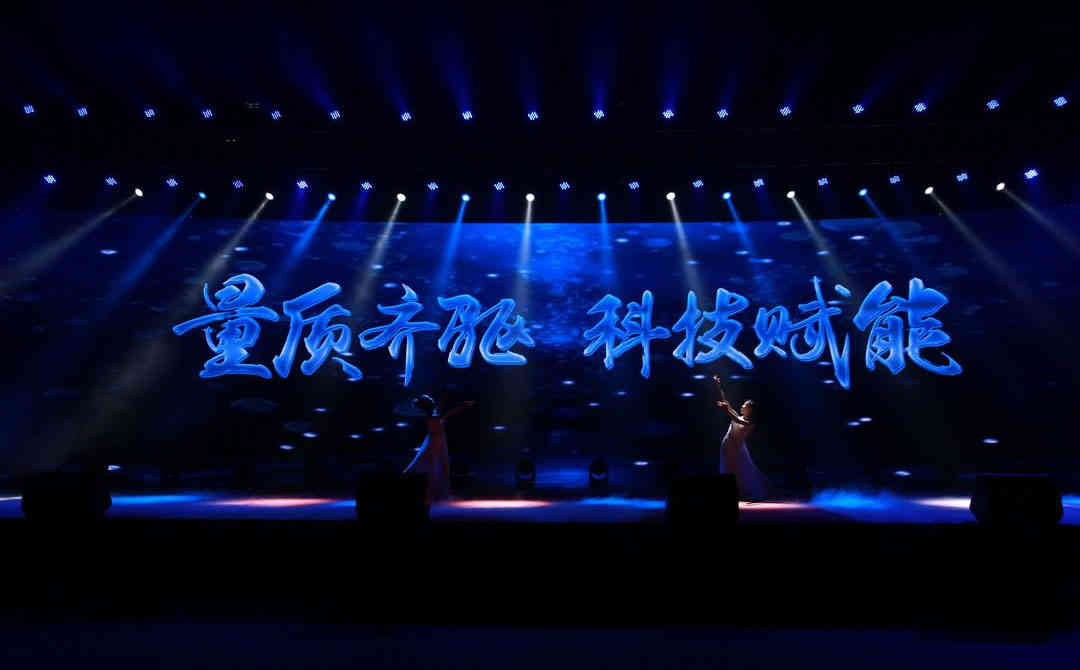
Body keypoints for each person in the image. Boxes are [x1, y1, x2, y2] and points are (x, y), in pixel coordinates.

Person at [402, 394, 476, 504]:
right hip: (435, 441)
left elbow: (445, 409)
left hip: (437, 440)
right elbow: (449, 412)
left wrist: (460, 404)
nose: (433, 401)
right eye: (431, 401)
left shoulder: (433, 414)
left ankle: (431, 492)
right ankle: (430, 492)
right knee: (433, 465)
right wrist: (462, 405)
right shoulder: (433, 416)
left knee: (433, 464)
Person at [713, 376, 769, 501]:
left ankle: (740, 491)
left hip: (736, 448)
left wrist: (726, 409)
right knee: (728, 468)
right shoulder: (739, 416)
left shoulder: (750, 423)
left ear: (750, 409)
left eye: (744, 405)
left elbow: (736, 419)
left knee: (739, 470)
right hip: (727, 445)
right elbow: (726, 402)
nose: (742, 406)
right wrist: (718, 385)